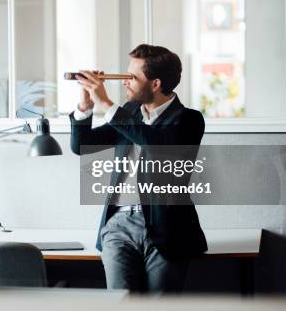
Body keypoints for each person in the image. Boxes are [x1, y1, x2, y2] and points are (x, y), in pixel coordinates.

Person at [70, 44, 207, 294]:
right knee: (118, 303)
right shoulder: (131, 113)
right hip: (118, 225)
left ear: (155, 83)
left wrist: (108, 104)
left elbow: (156, 144)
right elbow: (81, 145)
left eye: (131, 77)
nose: (125, 82)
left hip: (167, 229)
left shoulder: (189, 120)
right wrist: (86, 106)